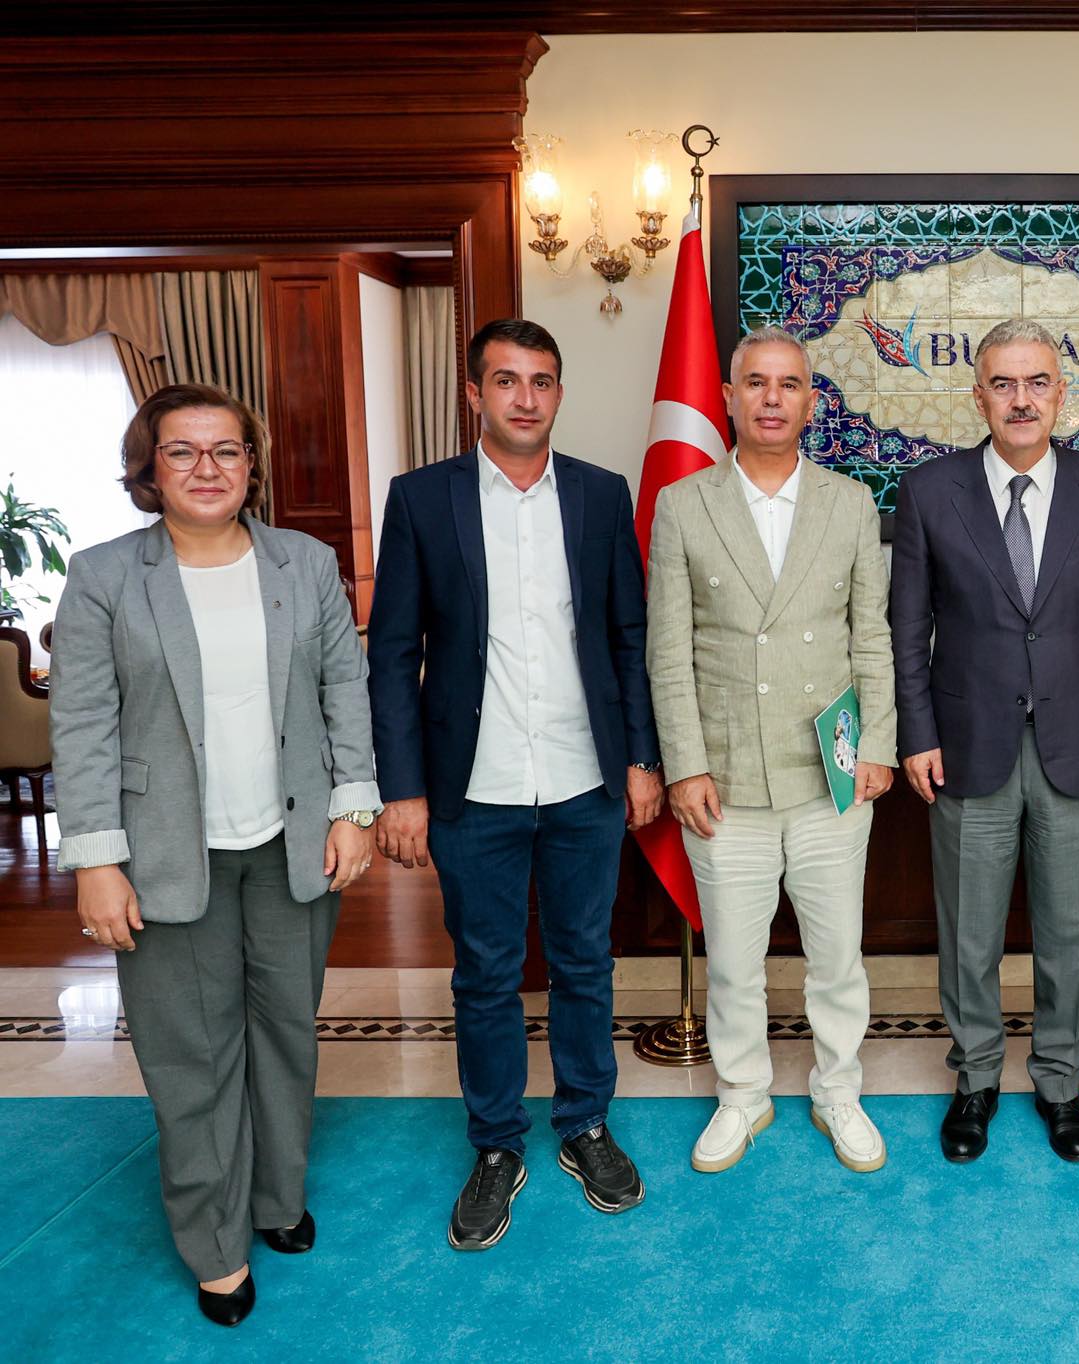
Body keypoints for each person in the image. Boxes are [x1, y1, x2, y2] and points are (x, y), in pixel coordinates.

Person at [51, 384, 381, 1326]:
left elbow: (345, 689)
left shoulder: (304, 563)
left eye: (226, 450)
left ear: (251, 464)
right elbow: (82, 724)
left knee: (286, 1036)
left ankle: (277, 1200)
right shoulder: (104, 576)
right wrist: (95, 860)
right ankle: (215, 1245)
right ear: (148, 468)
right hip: (162, 855)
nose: (207, 468)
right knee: (191, 1057)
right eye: (183, 451)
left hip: (292, 846)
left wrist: (355, 807)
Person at [367, 319, 664, 1250]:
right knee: (486, 975)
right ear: (475, 394)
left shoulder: (601, 494)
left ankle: (584, 1124)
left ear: (559, 393)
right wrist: (402, 789)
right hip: (474, 785)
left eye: (541, 380)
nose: (525, 398)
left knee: (585, 962)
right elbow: (393, 653)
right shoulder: (422, 499)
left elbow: (628, 636)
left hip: (584, 779)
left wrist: (642, 759)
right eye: (506, 380)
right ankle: (497, 1143)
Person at [889, 317, 1079, 1163]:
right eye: (1003, 384)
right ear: (979, 397)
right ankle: (975, 1078)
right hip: (966, 745)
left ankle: (1061, 1083)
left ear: (1061, 392)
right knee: (970, 934)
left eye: (1037, 382)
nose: (1022, 399)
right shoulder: (930, 491)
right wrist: (917, 734)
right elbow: (907, 630)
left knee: (1068, 932)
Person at [645, 326, 897, 1175]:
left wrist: (879, 745)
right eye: (756, 382)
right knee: (733, 964)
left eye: (789, 384)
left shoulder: (849, 503)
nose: (772, 398)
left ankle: (838, 1090)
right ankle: (742, 1095)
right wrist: (684, 763)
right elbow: (668, 650)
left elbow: (872, 638)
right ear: (728, 397)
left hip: (831, 773)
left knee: (836, 959)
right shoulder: (685, 503)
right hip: (723, 778)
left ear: (811, 402)